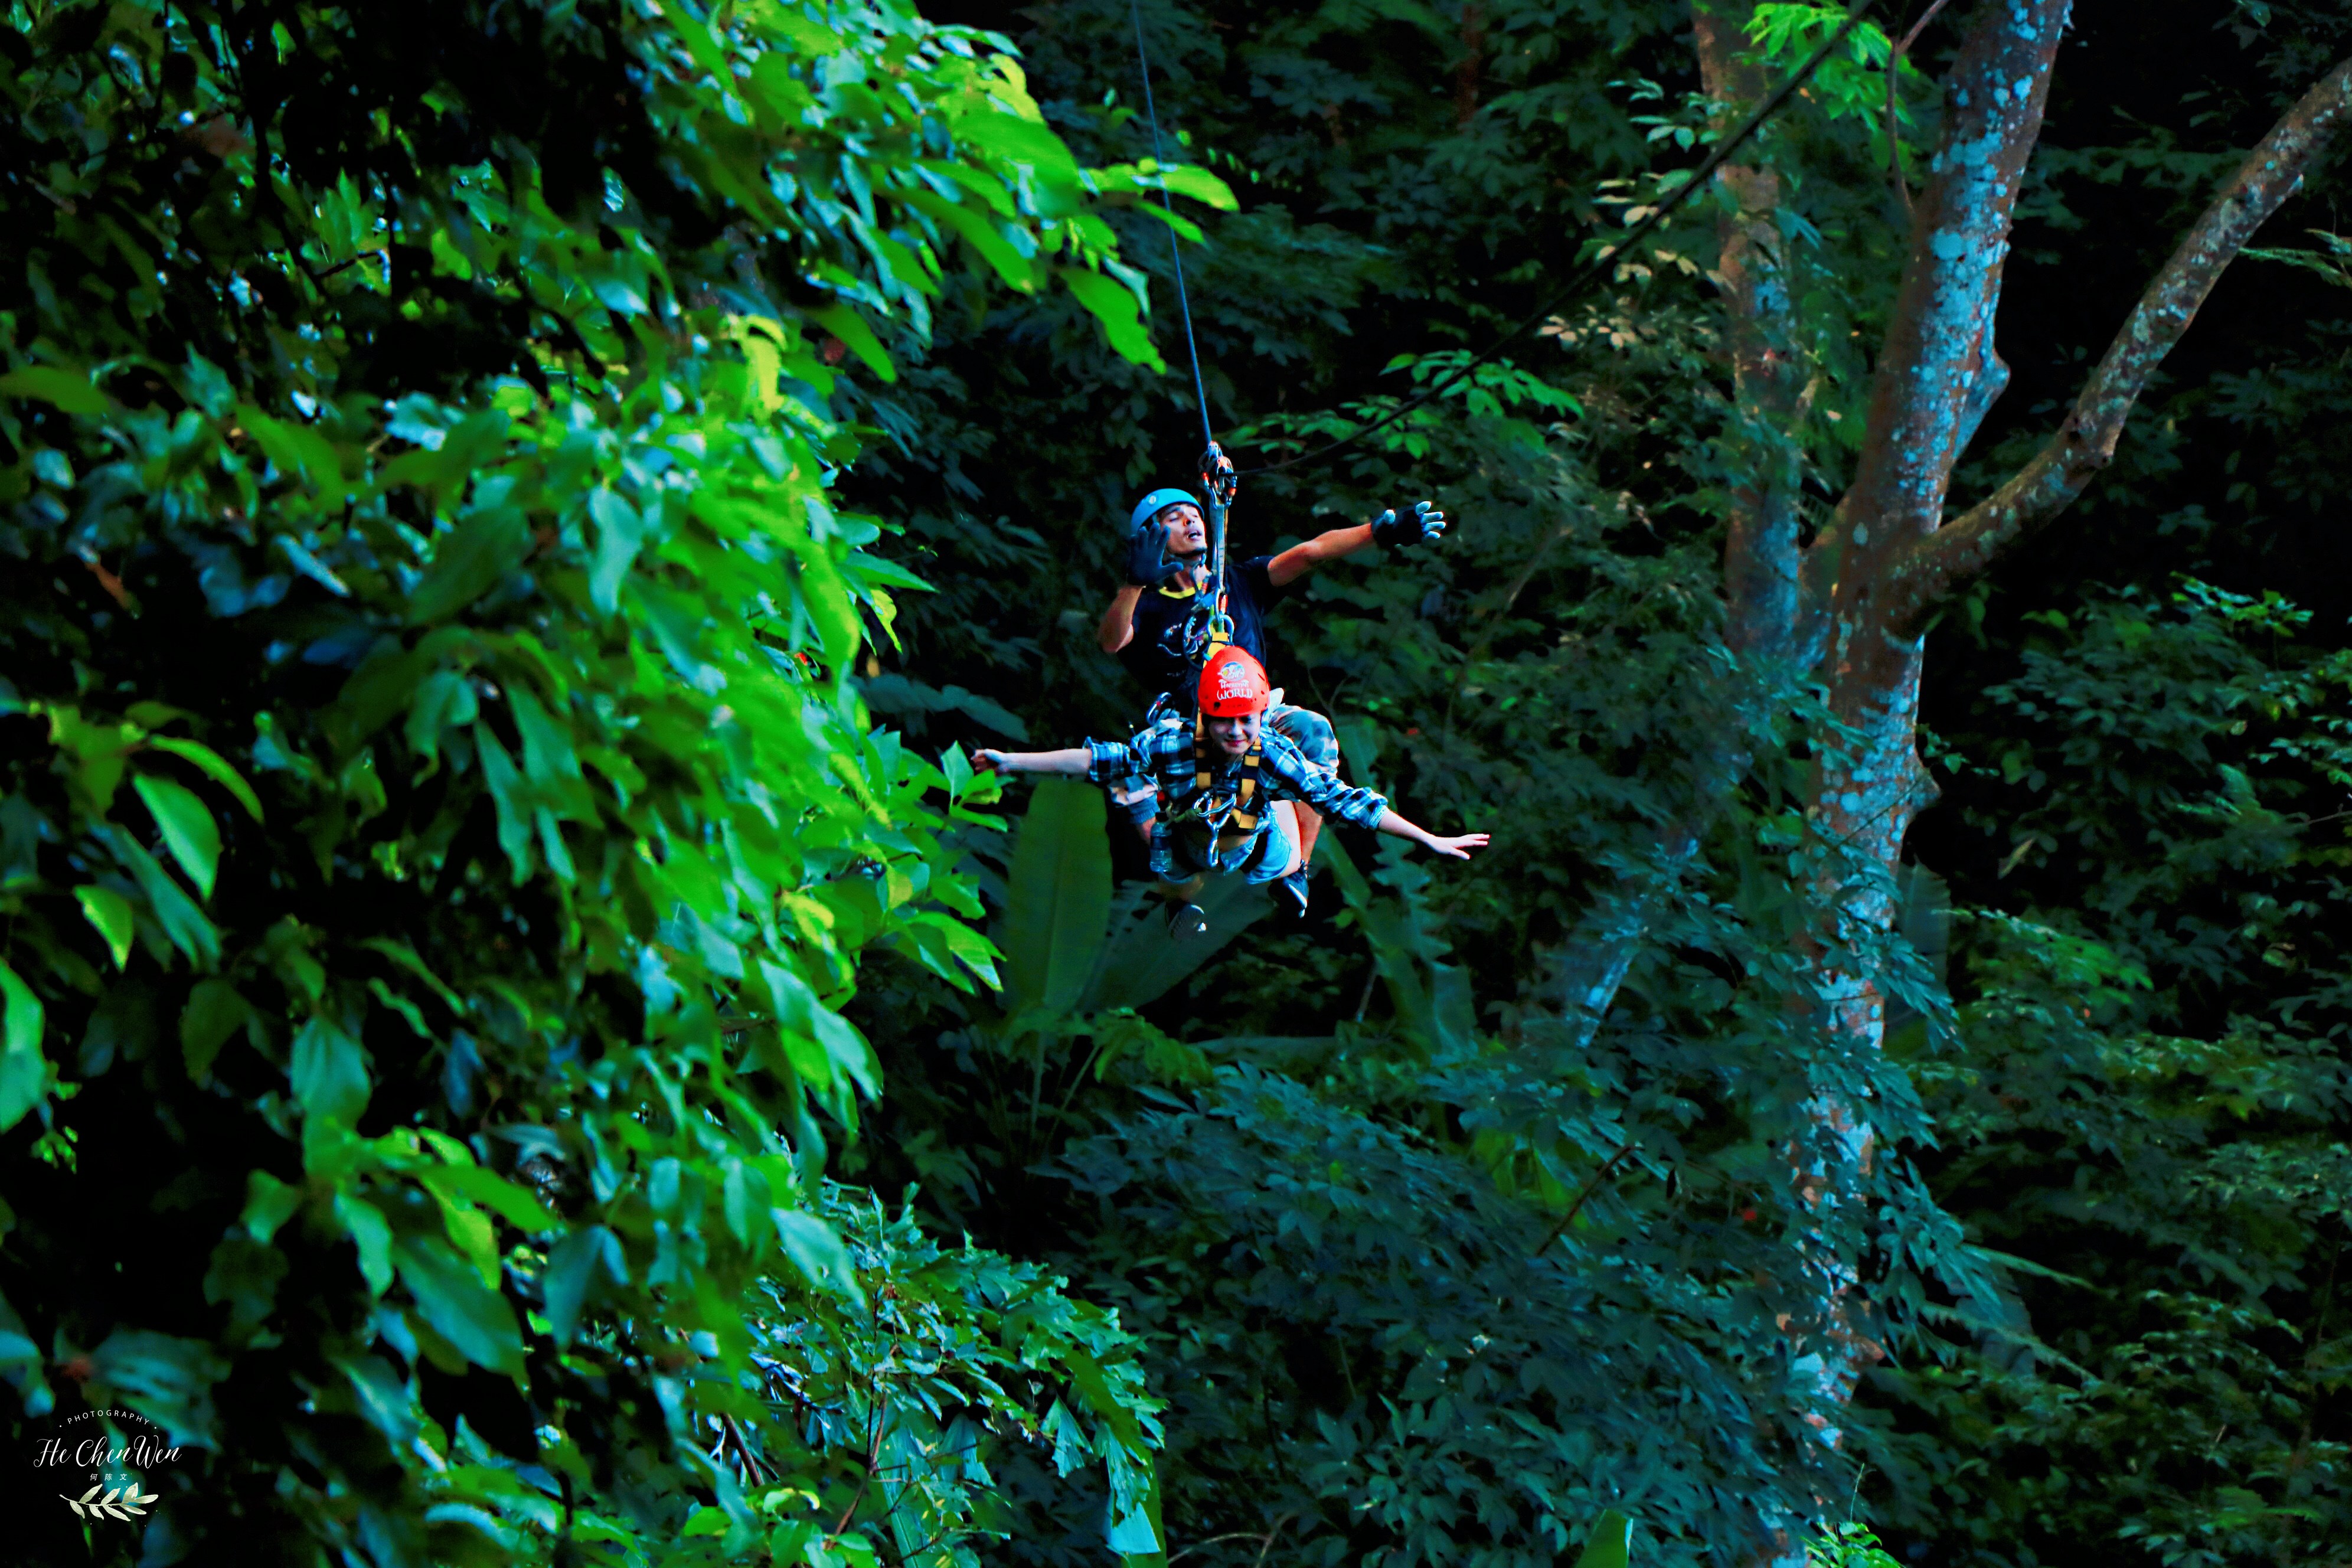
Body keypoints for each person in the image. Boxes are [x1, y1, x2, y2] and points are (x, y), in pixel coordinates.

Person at [1093, 487, 1448, 904]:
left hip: (1251, 721)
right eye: (1174, 517)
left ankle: (1297, 870)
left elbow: (1311, 553)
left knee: (1314, 730)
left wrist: (1376, 533)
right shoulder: (1148, 606)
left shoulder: (1240, 582)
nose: (1191, 521)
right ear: (1151, 538)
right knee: (1131, 768)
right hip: (1188, 728)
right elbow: (1111, 642)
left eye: (1193, 513)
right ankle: (1176, 879)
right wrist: (1134, 583)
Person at [977, 647, 1485, 922]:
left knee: (1295, 813)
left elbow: (1349, 803)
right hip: (1184, 841)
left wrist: (1428, 838)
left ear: (1261, 715)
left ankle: (1292, 873)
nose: (1237, 733)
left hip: (1254, 845)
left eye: (1247, 720)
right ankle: (1148, 829)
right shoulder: (1171, 743)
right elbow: (1094, 759)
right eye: (1224, 722)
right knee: (1174, 877)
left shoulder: (1271, 753)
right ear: (1204, 716)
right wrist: (1012, 762)